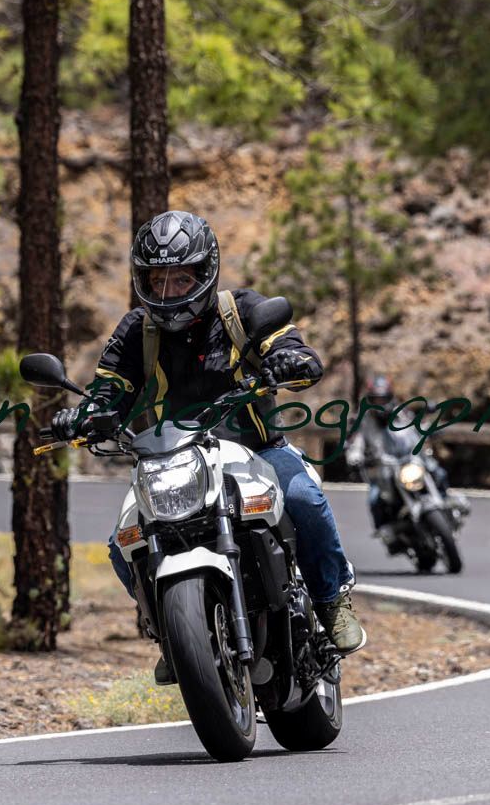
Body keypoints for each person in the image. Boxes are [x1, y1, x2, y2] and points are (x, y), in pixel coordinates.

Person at [52, 211, 364, 686]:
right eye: (157, 280)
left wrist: (290, 359)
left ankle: (331, 601)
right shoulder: (136, 331)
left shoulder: (241, 311)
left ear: (205, 272)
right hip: (172, 459)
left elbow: (291, 345)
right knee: (123, 545)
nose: (168, 291)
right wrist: (85, 415)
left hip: (256, 451)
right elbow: (110, 387)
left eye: (181, 278)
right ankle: (174, 633)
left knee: (304, 498)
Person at [344, 375, 468, 537]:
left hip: (410, 459)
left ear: (390, 397)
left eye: (383, 399)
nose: (381, 404)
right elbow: (356, 444)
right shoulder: (364, 421)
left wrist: (430, 429)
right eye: (377, 400)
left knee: (438, 472)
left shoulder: (402, 412)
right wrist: (354, 458)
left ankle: (446, 500)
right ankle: (386, 532)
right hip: (385, 468)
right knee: (375, 499)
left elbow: (416, 426)